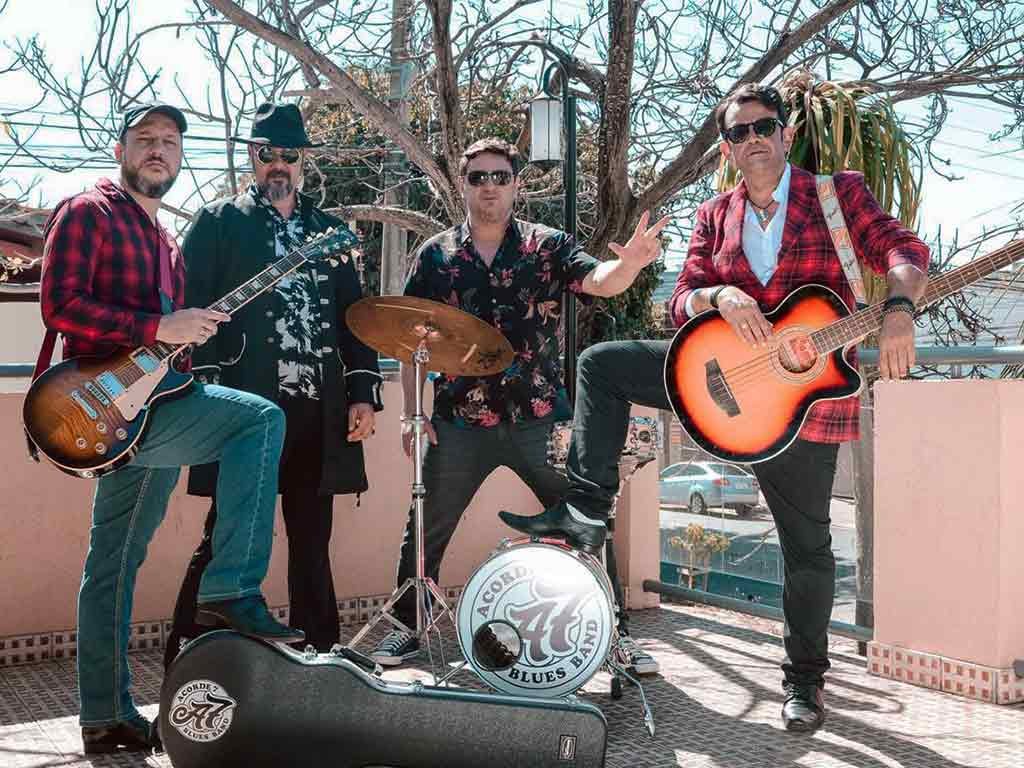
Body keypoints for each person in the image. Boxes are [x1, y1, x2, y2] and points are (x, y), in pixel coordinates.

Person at [501, 85, 930, 732]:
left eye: (764, 127)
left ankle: (804, 684)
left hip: (799, 408)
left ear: (786, 135)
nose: (752, 139)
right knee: (602, 364)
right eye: (738, 133)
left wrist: (898, 309)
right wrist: (718, 298)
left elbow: (903, 251)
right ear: (726, 150)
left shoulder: (837, 195)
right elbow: (680, 298)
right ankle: (586, 511)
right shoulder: (714, 214)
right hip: (717, 379)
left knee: (808, 551)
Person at [39, 103, 301, 755]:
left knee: (112, 564)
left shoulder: (166, 246)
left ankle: (104, 716)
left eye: (171, 142)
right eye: (145, 138)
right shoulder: (88, 212)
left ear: (181, 158)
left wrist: (187, 336)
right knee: (259, 420)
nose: (159, 149)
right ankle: (230, 588)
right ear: (120, 150)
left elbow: (161, 345)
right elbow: (60, 304)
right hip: (102, 408)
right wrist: (158, 326)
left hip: (146, 410)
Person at [368, 137, 668, 670]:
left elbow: (599, 282)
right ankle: (406, 629)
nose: (489, 187)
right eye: (478, 177)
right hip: (459, 421)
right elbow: (410, 341)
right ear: (462, 185)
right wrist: (413, 414)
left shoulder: (548, 245)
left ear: (516, 186)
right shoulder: (435, 255)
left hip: (540, 417)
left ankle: (614, 636)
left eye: (499, 177)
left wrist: (630, 267)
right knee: (426, 526)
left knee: (584, 521)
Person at [164, 102, 383, 663]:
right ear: (251, 156)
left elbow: (354, 318)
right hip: (244, 409)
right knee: (225, 533)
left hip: (316, 409)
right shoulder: (218, 223)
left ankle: (320, 661)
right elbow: (189, 308)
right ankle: (187, 659)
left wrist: (362, 393)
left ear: (303, 160)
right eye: (267, 154)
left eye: (289, 154)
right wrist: (204, 392)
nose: (278, 164)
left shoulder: (330, 232)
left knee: (312, 541)